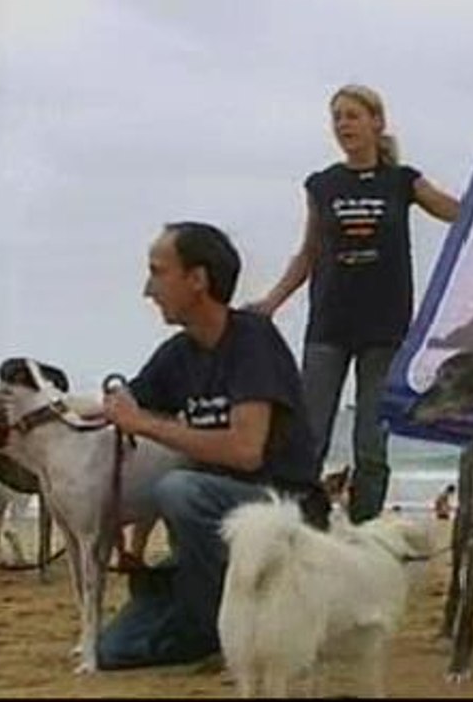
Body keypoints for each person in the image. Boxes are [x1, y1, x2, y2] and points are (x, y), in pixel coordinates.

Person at [98, 221, 328, 669]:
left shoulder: (253, 339)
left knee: (179, 489)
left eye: (158, 272)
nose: (148, 289)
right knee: (115, 651)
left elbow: (246, 451)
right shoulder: (178, 354)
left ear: (198, 279)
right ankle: (206, 614)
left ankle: (218, 628)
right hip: (220, 526)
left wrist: (143, 424)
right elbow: (116, 408)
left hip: (284, 510)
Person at [247, 84, 460, 524]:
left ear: (376, 122)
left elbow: (453, 211)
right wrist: (272, 301)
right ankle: (305, 526)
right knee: (310, 436)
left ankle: (364, 531)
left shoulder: (402, 181)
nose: (344, 124)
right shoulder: (323, 185)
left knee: (370, 441)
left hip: (385, 328)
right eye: (338, 117)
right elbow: (308, 253)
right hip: (329, 324)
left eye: (352, 116)